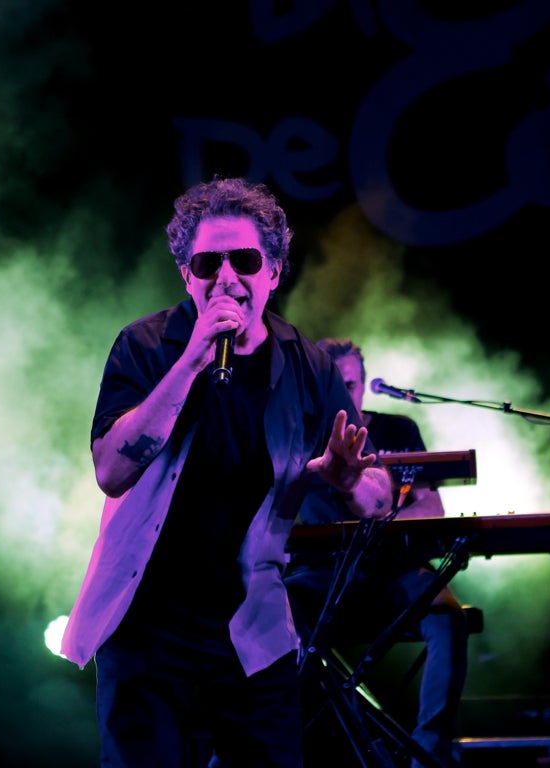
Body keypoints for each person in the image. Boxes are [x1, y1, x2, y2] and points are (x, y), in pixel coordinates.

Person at [59, 177, 394, 768]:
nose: (226, 277)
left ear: (273, 270)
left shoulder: (306, 366)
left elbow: (377, 497)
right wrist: (191, 357)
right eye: (207, 263)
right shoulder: (146, 346)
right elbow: (112, 470)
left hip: (252, 633)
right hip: (146, 633)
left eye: (244, 260)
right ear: (186, 275)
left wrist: (346, 480)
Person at [285, 338, 468, 768]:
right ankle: (368, 749)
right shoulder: (299, 433)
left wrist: (379, 514)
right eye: (335, 385)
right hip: (320, 574)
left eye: (352, 384)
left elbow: (432, 507)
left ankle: (428, 753)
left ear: (364, 384)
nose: (346, 395)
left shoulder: (399, 430)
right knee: (273, 614)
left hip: (396, 569)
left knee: (447, 614)